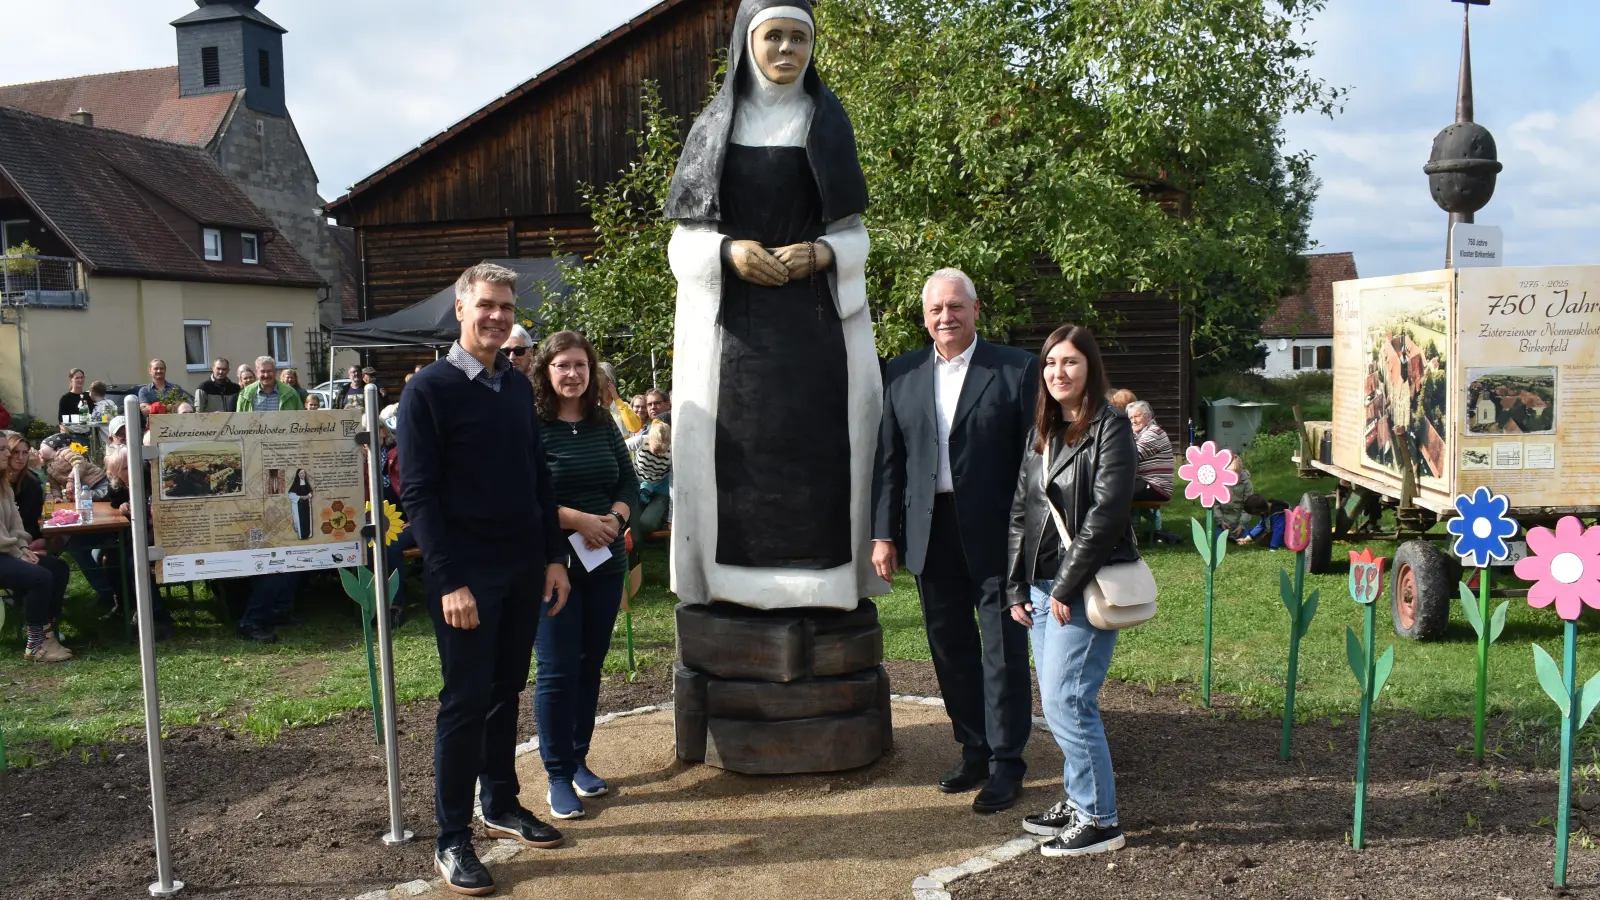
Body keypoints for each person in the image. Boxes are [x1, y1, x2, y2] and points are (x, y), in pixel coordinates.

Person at [664, 0, 885, 615]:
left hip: (816, 331)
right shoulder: (714, 127)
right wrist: (727, 252)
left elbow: (855, 234)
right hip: (734, 335)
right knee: (734, 452)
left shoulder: (827, 123)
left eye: (798, 38)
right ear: (747, 43)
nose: (787, 49)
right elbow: (684, 239)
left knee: (823, 455)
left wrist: (822, 253)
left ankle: (827, 583)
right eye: (774, 37)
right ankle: (730, 584)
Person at [399, 261, 571, 894]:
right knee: (466, 701)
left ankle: (499, 802)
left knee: (505, 690)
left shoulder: (516, 388)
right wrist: (449, 581)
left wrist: (554, 557)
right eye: (487, 305)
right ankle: (451, 839)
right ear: (461, 308)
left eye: (506, 307)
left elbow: (537, 478)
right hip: (466, 577)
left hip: (523, 567)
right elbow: (418, 494)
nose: (497, 316)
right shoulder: (428, 390)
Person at [873, 267, 1039, 813]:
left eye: (955, 307)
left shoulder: (1015, 369)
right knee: (949, 648)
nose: (946, 317)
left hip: (998, 533)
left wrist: (1028, 532)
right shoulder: (901, 372)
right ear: (925, 318)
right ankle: (973, 748)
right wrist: (883, 534)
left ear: (975, 309)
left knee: (1002, 649)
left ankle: (1007, 763)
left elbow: (1033, 461)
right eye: (936, 309)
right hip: (930, 531)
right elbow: (890, 460)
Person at [1006, 323, 1136, 858]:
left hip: (1078, 589)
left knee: (1068, 700)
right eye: (1050, 362)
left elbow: (1106, 516)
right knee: (1059, 700)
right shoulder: (1044, 431)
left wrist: (1063, 586)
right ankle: (1079, 797)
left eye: (1070, 362)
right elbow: (1022, 512)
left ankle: (1100, 820)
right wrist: (1015, 585)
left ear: (1090, 368)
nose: (1058, 372)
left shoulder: (1110, 427)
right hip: (1040, 590)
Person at [531, 330, 639, 820]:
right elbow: (526, 497)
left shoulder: (603, 422)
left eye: (580, 365)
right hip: (553, 566)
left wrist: (614, 518)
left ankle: (578, 759)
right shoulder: (532, 426)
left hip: (605, 564)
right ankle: (556, 774)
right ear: (546, 371)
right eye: (562, 365)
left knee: (589, 665)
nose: (572, 374)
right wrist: (579, 521)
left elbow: (628, 483)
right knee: (557, 670)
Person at [0, 444, 73, 662]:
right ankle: (35, 644)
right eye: (2, 449)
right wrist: (17, 552)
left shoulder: (4, 485)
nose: (8, 454)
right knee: (39, 577)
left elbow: (15, 523)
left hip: (6, 551)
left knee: (58, 568)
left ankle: (47, 634)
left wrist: (22, 547)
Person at [1125, 401, 1173, 502]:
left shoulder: (1154, 433)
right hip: (1142, 482)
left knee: (1111, 490)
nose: (1133, 421)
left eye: (1137, 416)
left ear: (1148, 416)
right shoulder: (1136, 435)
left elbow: (1130, 457)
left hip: (1156, 486)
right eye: (1130, 418)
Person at [5, 432, 45, 552]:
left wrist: (37, 541)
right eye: (16, 452)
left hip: (27, 539)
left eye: (25, 452)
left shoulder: (32, 482)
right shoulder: (2, 484)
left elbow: (34, 518)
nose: (20, 457)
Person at [634, 420, 672, 538]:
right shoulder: (640, 441)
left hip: (660, 490)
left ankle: (661, 518)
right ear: (649, 439)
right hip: (639, 486)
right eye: (656, 450)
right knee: (634, 526)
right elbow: (618, 450)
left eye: (662, 451)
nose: (659, 454)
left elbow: (673, 485)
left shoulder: (672, 452)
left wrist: (670, 520)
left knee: (646, 525)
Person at [236, 357, 305, 411]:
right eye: (262, 371)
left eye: (269, 371)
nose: (266, 375)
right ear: (257, 373)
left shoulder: (291, 393)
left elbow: (301, 419)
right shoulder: (244, 395)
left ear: (275, 372)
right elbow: (239, 421)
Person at [597, 362, 643, 437]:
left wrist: (616, 398)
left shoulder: (622, 406)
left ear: (611, 383)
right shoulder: (592, 409)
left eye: (601, 389)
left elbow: (635, 428)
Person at [58, 368, 92, 435]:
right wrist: (67, 436)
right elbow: (61, 421)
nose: (80, 380)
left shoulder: (88, 396)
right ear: (70, 379)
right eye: (77, 378)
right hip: (72, 434)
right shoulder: (65, 398)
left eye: (82, 377)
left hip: (88, 434)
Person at [287, 469, 314, 539]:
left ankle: (307, 534)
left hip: (306, 504)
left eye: (304, 473)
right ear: (298, 475)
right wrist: (300, 497)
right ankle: (302, 535)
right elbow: (291, 495)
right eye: (301, 473)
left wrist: (308, 496)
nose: (303, 475)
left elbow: (310, 492)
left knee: (307, 519)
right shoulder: (295, 484)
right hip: (299, 504)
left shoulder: (306, 483)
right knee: (299, 520)